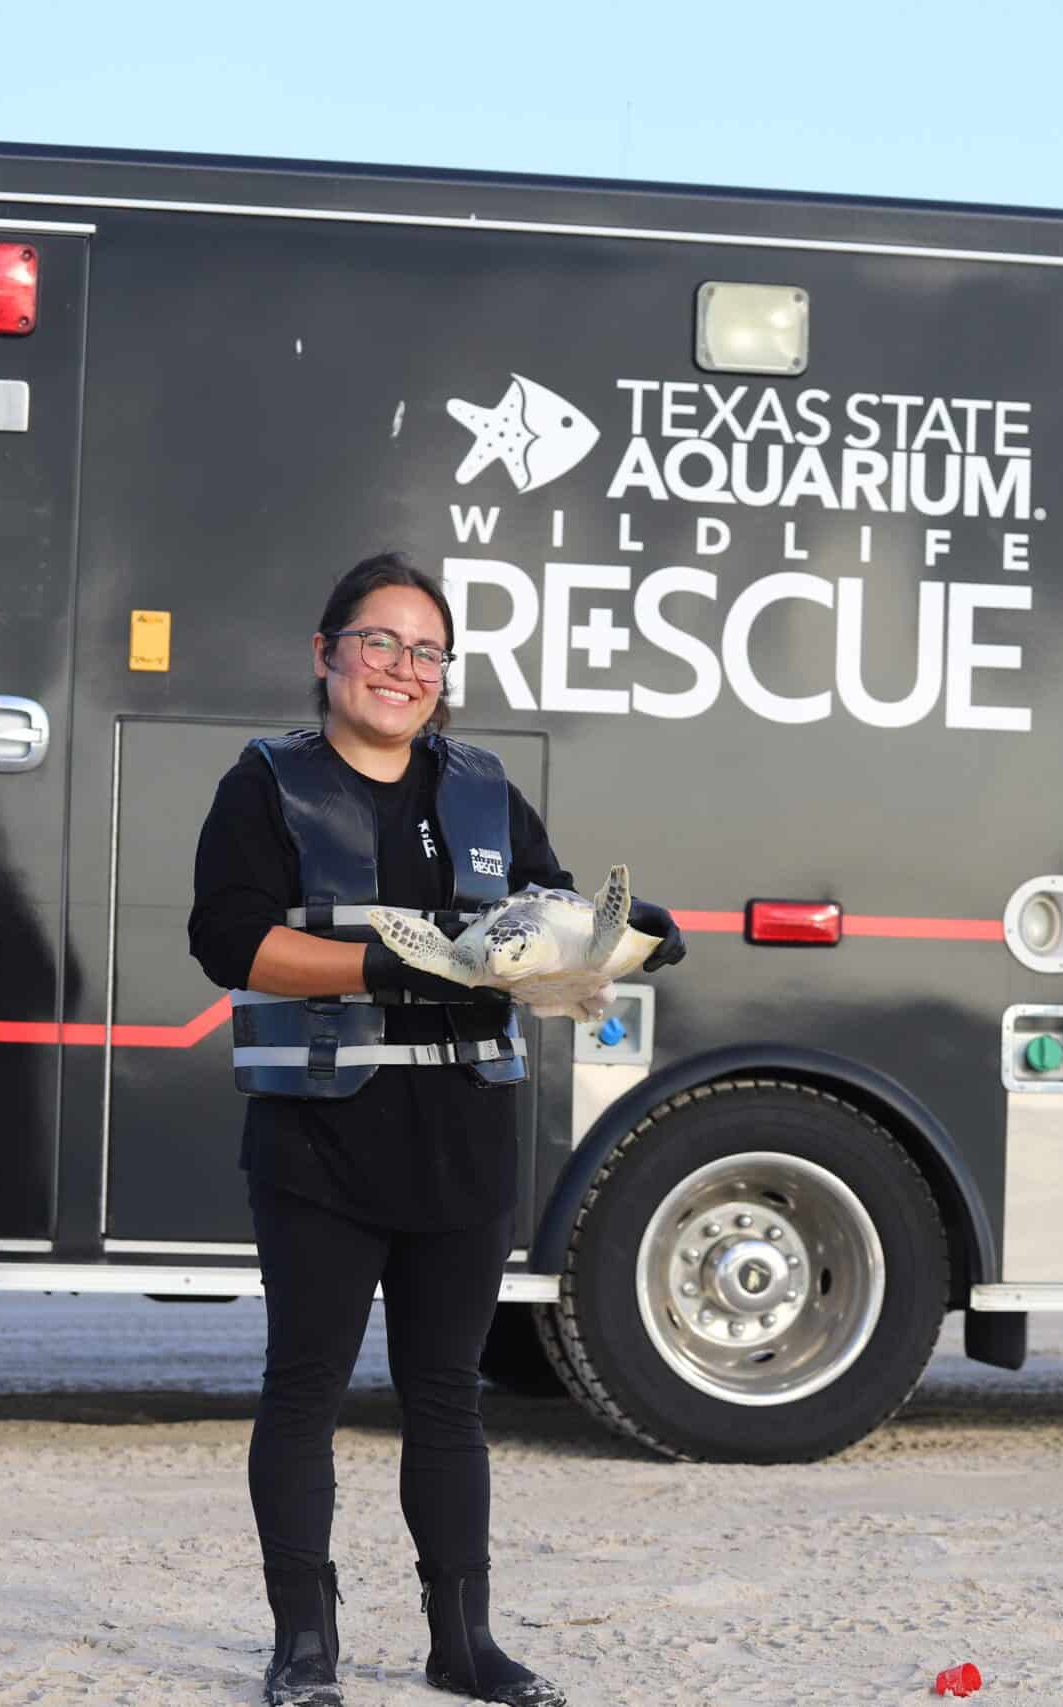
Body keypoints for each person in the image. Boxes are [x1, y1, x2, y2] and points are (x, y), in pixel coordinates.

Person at [188, 551, 685, 1706]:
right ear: (327, 655)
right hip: (319, 1136)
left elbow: (554, 909)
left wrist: (625, 938)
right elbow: (231, 940)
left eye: (425, 651)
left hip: (462, 1133)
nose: (401, 669)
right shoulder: (264, 783)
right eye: (378, 642)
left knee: (448, 1395)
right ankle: (304, 1649)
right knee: (303, 1388)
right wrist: (399, 968)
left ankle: (464, 1645)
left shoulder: (483, 788)